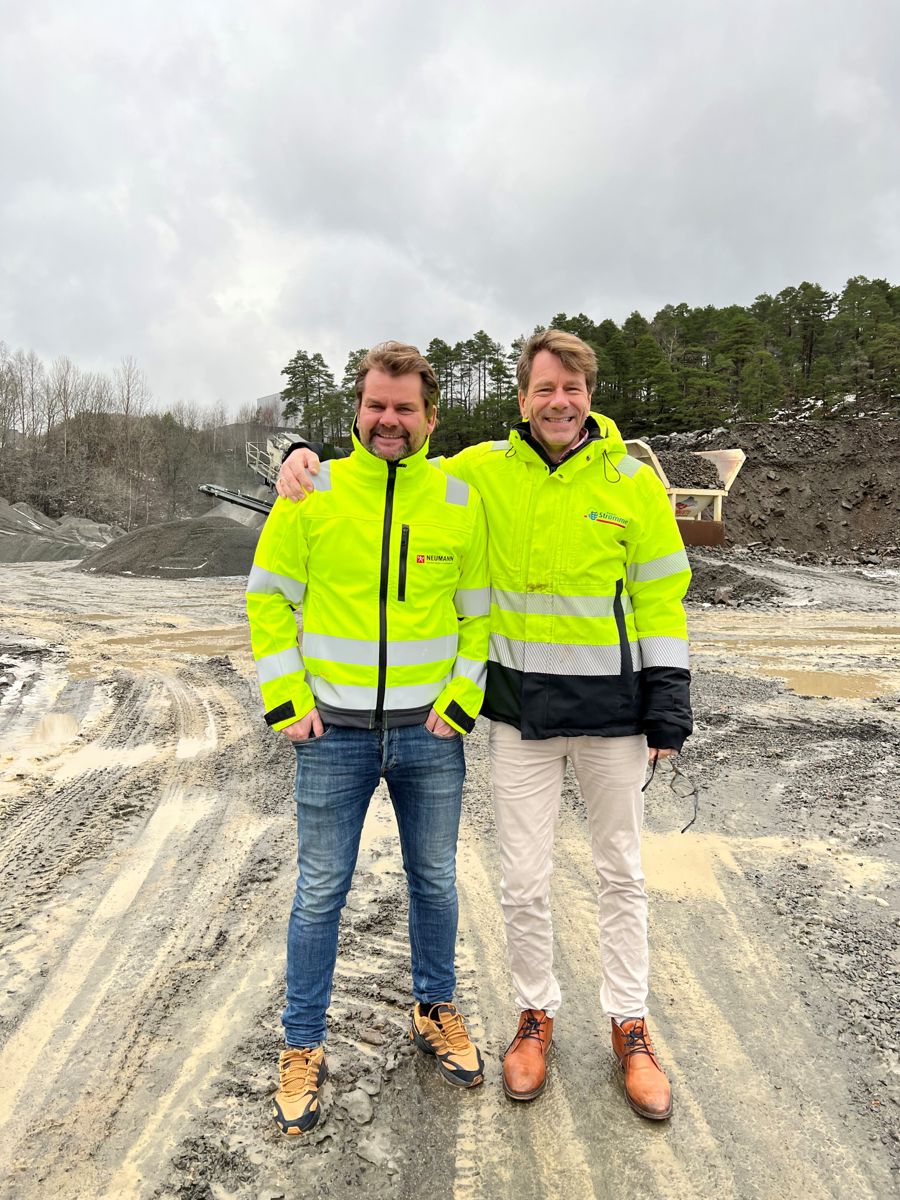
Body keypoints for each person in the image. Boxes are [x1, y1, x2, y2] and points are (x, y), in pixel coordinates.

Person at [278, 329, 691, 1121]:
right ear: (522, 398)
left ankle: (629, 1027)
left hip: (612, 716)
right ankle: (533, 1018)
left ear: (590, 395)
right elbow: (395, 460)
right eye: (543, 389)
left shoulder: (635, 484)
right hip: (517, 716)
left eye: (570, 388)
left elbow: (661, 598)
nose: (558, 402)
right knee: (523, 882)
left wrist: (667, 700)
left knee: (621, 875)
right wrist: (302, 451)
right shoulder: (478, 475)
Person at [247, 341, 490, 1135]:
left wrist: (461, 701)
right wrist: (287, 700)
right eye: (377, 406)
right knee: (320, 893)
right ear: (358, 409)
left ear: (431, 415)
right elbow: (268, 599)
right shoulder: (313, 491)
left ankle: (434, 1007)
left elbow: (476, 615)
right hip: (333, 739)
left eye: (405, 408)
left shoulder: (458, 496)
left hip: (429, 736)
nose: (390, 421)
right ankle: (303, 1046)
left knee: (435, 882)